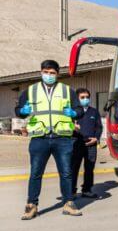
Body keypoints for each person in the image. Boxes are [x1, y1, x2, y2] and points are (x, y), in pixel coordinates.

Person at [15, 59, 84, 219]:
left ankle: (68, 203)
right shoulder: (30, 91)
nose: (49, 75)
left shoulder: (68, 91)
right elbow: (18, 110)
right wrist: (23, 111)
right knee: (36, 173)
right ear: (41, 72)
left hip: (62, 138)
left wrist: (74, 113)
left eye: (52, 73)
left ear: (57, 74)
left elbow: (79, 110)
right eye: (46, 72)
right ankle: (31, 205)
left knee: (66, 173)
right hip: (40, 138)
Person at [71, 88, 103, 199]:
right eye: (82, 97)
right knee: (74, 168)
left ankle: (87, 189)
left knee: (89, 168)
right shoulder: (72, 113)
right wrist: (72, 127)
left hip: (91, 145)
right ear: (77, 99)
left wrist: (96, 138)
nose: (85, 99)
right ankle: (72, 191)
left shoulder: (94, 111)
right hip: (76, 143)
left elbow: (99, 127)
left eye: (87, 97)